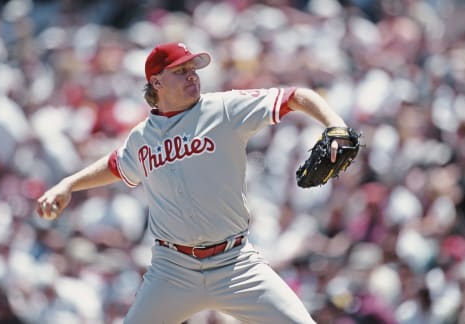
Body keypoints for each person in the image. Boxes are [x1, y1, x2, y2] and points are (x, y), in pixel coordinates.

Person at [37, 42, 349, 324]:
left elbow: (296, 97)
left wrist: (335, 126)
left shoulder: (224, 108)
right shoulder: (141, 137)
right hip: (172, 271)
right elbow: (116, 164)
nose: (192, 76)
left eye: (193, 70)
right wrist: (68, 184)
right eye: (181, 71)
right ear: (156, 82)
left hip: (235, 264)